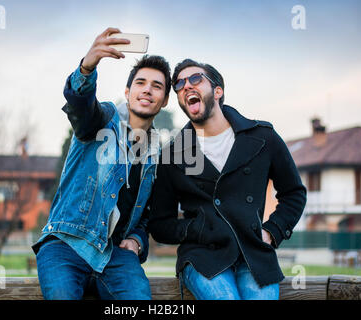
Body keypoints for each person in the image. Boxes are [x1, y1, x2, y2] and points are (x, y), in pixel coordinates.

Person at [148, 59, 306, 300]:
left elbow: (294, 193)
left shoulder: (263, 137)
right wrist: (197, 228)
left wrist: (272, 231)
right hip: (202, 257)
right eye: (179, 84)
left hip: (253, 254)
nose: (186, 86)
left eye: (195, 79)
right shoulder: (172, 155)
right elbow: (160, 224)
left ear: (218, 91)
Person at [32, 27, 171, 300]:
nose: (147, 90)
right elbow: (81, 107)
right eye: (141, 83)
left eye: (157, 86)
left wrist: (137, 241)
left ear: (165, 100)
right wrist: (87, 67)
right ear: (128, 91)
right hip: (66, 243)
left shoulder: (156, 155)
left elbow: (145, 214)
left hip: (116, 256)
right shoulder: (103, 119)